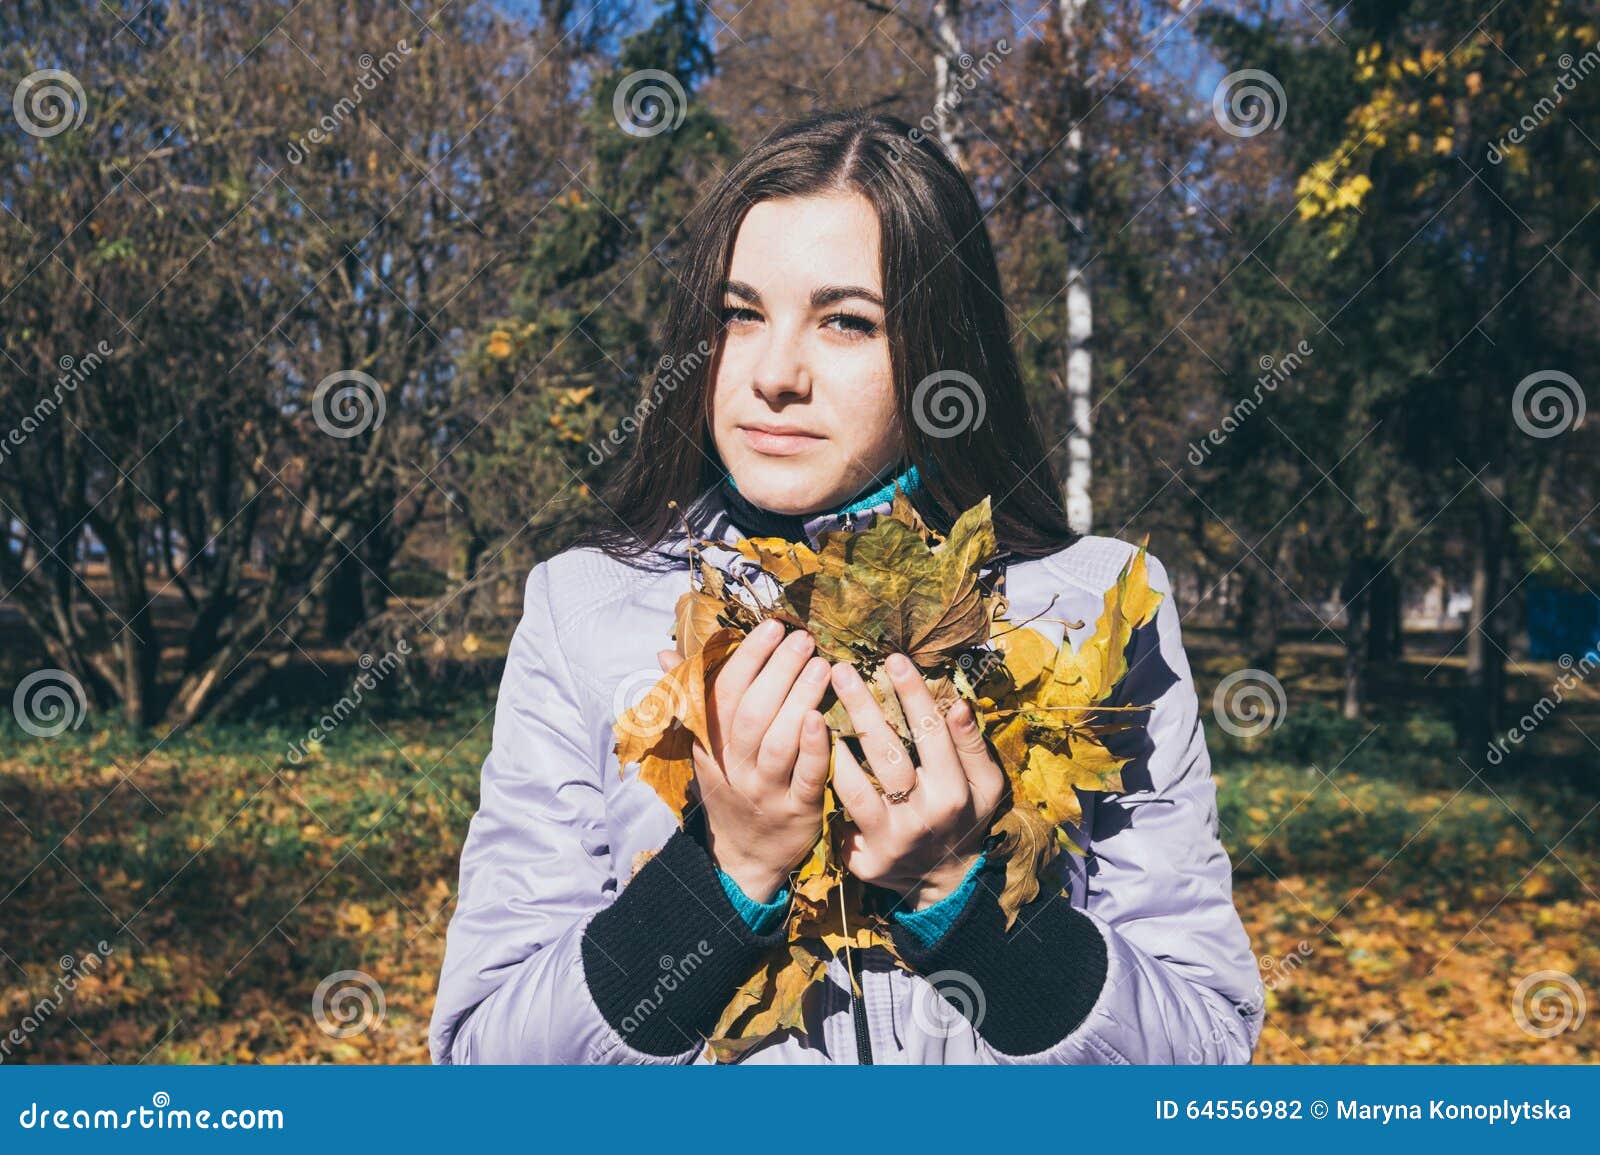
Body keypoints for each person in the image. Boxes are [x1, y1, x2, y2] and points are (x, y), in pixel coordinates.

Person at [429, 111, 1263, 1065]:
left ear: (943, 350)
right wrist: (725, 870)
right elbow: (483, 1065)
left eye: (847, 321)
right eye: (741, 314)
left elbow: (1205, 1060)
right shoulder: (578, 613)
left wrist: (962, 897)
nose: (774, 374)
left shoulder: (1099, 611)